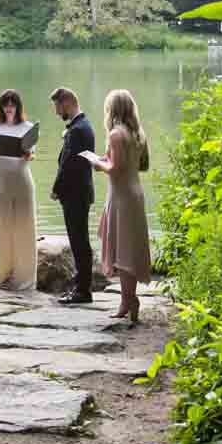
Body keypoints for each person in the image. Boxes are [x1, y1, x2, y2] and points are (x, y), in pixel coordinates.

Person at [87, 88, 152, 324]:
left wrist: (97, 163)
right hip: (135, 194)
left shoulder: (116, 134)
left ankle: (129, 301)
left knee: (123, 250)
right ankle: (128, 300)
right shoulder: (137, 133)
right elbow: (138, 165)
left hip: (122, 197)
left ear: (112, 110)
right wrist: (106, 160)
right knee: (130, 249)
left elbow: (114, 168)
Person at [0, 89, 37, 291]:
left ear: (18, 106)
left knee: (24, 227)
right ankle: (3, 275)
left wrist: (26, 154)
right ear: (1, 106)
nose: (9, 107)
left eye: (13, 103)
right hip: (1, 183)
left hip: (22, 181)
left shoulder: (28, 128)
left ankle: (24, 277)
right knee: (2, 228)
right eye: (6, 104)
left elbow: (31, 156)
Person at [49, 85, 96, 304]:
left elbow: (68, 163)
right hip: (80, 192)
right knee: (80, 241)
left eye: (58, 107)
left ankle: (82, 291)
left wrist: (56, 188)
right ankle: (81, 286)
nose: (57, 113)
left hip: (75, 194)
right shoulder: (82, 125)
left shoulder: (77, 130)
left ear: (66, 102)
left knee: (79, 242)